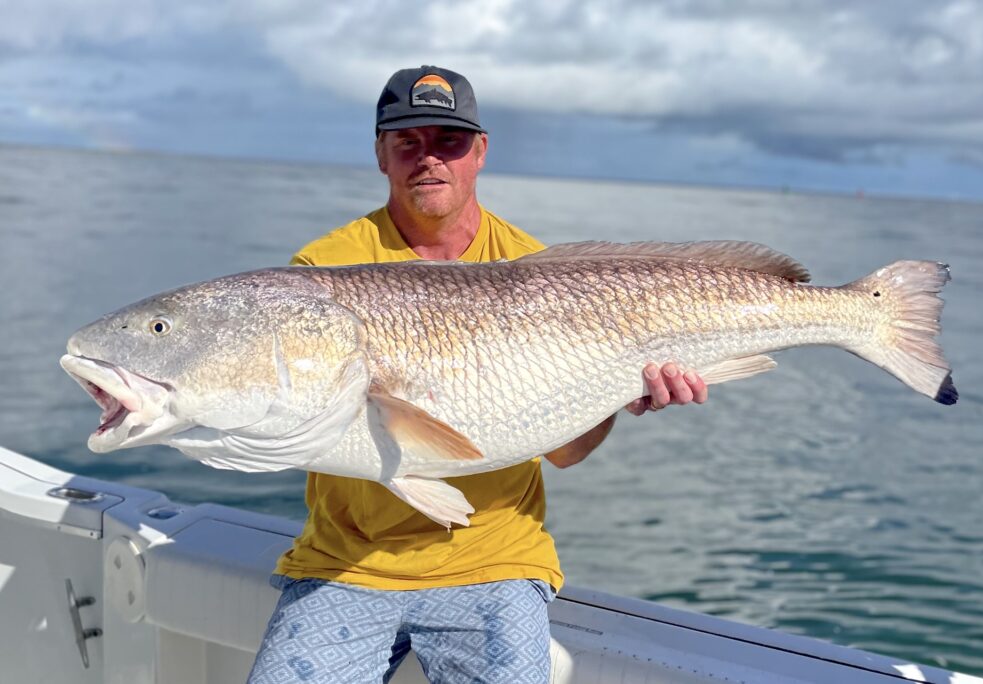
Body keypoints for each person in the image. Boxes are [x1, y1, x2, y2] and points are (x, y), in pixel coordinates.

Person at [247, 65, 708, 684]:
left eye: (450, 141)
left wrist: (620, 389)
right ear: (380, 153)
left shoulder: (537, 271)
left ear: (481, 151)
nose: (428, 158)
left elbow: (566, 452)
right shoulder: (323, 269)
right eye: (407, 141)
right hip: (346, 562)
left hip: (495, 561)